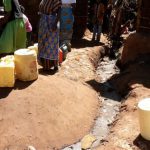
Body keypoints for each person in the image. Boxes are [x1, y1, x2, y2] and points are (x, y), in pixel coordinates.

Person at [38, 0, 62, 71]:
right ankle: (46, 66)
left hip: (51, 22)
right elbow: (41, 11)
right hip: (43, 22)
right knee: (44, 44)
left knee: (52, 45)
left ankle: (54, 65)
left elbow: (60, 11)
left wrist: (55, 23)